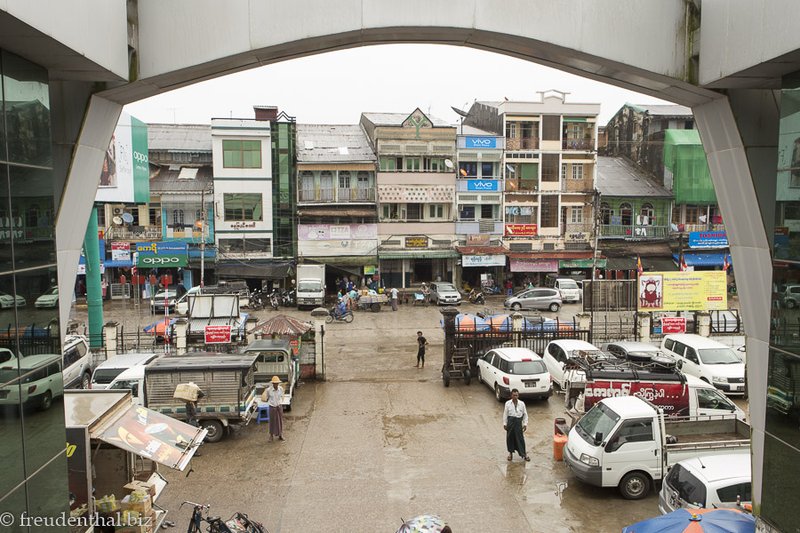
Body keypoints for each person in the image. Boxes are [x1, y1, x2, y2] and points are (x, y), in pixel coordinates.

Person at [503, 389, 530, 461]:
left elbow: (525, 415)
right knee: (510, 438)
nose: (515, 397)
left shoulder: (522, 404)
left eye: (516, 395)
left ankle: (524, 454)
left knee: (520, 439)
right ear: (511, 395)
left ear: (518, 396)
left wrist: (525, 424)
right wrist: (505, 423)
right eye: (514, 395)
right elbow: (505, 414)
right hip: (510, 422)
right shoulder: (507, 404)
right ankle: (510, 453)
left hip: (518, 423)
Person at [263, 376, 285, 441]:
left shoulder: (281, 389)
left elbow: (282, 396)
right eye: (275, 383)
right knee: (272, 421)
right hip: (272, 407)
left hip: (279, 407)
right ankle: (271, 436)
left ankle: (280, 435)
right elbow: (266, 398)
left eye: (277, 383)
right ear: (272, 383)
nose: (276, 384)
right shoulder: (268, 390)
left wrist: (281, 402)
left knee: (280, 421)